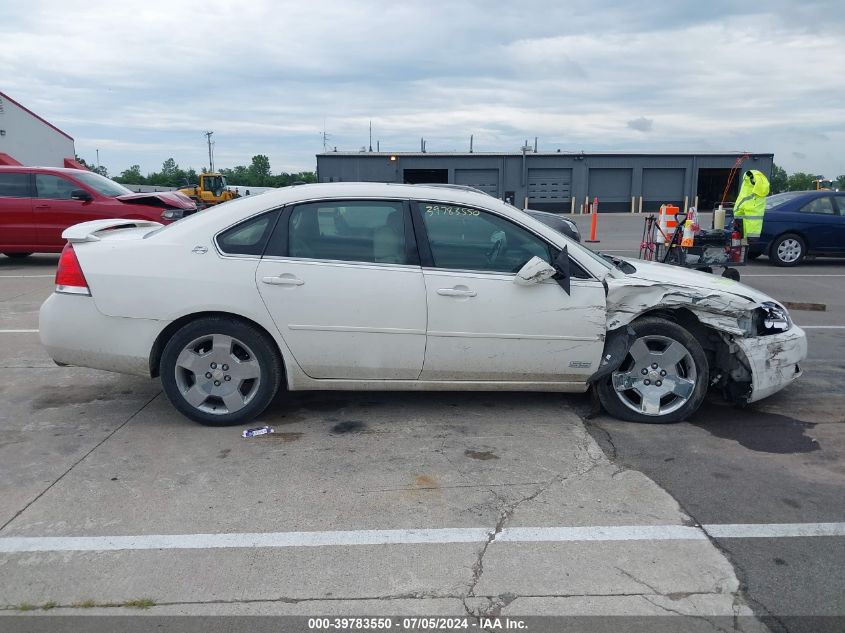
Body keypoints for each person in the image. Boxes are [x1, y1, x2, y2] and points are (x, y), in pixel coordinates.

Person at [733, 169, 770, 238]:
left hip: (743, 233)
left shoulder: (747, 194)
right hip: (754, 235)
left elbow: (737, 209)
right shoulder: (760, 196)